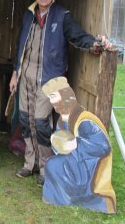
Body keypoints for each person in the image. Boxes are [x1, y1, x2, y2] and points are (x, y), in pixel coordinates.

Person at [9, 0, 112, 186]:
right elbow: (21, 45)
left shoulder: (62, 15)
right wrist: (15, 73)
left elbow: (77, 36)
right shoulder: (29, 15)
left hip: (50, 80)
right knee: (26, 120)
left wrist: (95, 43)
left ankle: (46, 168)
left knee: (40, 121)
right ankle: (30, 163)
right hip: (26, 77)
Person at [41, 76, 116, 214]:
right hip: (74, 162)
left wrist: (77, 144)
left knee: (53, 165)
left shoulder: (85, 120)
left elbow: (102, 146)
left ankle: (73, 196)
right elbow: (60, 141)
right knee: (52, 163)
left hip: (89, 166)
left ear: (65, 96)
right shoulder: (62, 120)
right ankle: (62, 197)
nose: (53, 103)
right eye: (50, 98)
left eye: (54, 97)